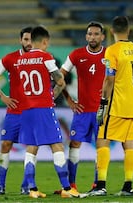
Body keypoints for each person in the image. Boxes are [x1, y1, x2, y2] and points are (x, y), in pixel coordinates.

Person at [17, 26, 82, 199]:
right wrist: (53, 94)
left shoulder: (21, 60)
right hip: (43, 108)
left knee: (32, 147)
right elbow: (60, 81)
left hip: (26, 109)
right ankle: (67, 188)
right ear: (45, 41)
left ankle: (32, 189)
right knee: (57, 146)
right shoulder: (46, 57)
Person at [88, 16, 133, 196]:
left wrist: (103, 104)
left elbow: (109, 78)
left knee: (102, 141)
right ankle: (128, 186)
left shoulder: (112, 51)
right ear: (129, 30)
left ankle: (101, 186)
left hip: (116, 105)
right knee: (129, 145)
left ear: (111, 31)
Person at [57, 21, 106, 193]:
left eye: (96, 34)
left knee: (101, 147)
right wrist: (69, 100)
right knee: (74, 144)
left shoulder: (109, 55)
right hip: (82, 110)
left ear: (102, 37)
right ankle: (72, 185)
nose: (92, 37)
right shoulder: (76, 55)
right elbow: (59, 76)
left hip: (103, 110)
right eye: (90, 34)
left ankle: (97, 184)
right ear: (86, 36)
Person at [0, 26, 33, 196]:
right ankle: (0, 186)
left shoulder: (42, 59)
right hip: (14, 112)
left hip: (34, 112)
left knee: (31, 148)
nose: (29, 43)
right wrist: (2, 95)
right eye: (26, 39)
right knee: (6, 145)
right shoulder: (10, 58)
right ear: (20, 40)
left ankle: (26, 185)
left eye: (32, 40)